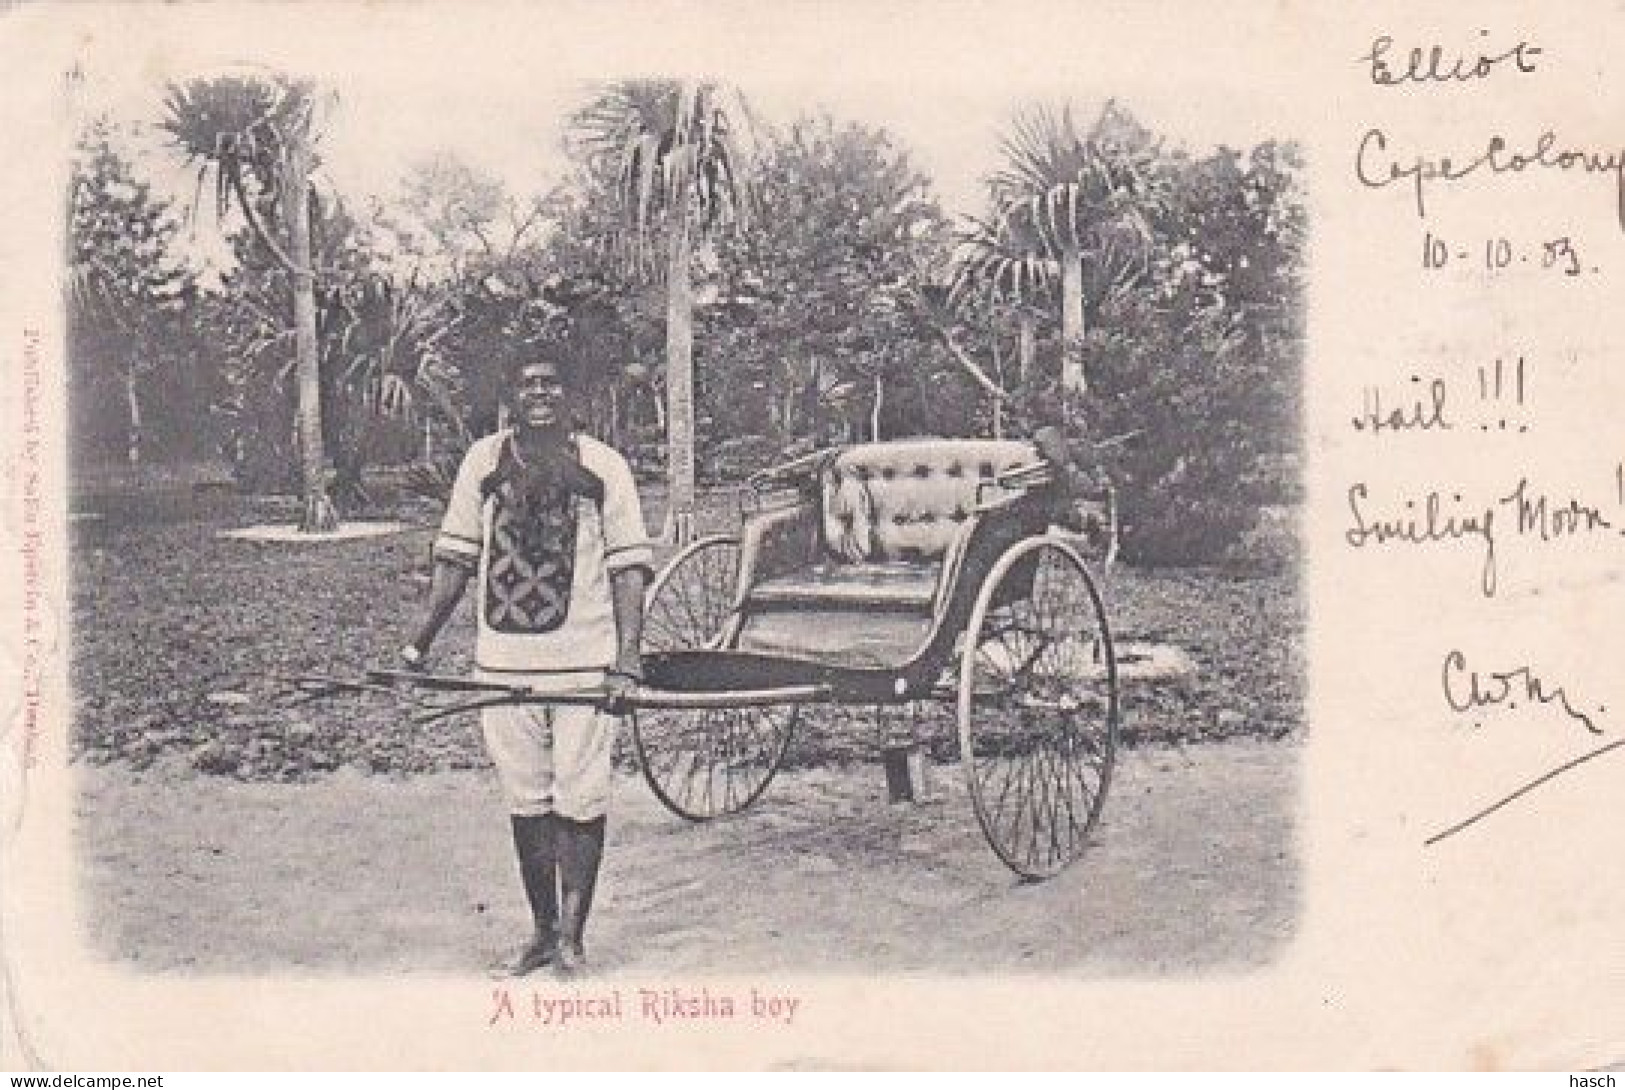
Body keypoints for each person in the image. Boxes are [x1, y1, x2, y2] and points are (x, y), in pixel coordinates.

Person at [401, 343, 652, 975]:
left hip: (584, 664)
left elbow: (628, 569)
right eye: (527, 383)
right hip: (503, 663)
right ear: (509, 394)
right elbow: (456, 558)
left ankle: (573, 935)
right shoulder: (481, 464)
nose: (540, 393)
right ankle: (541, 930)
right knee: (526, 800)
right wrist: (418, 643)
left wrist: (627, 660)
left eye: (552, 382)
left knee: (582, 797)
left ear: (572, 395)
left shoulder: (604, 468)